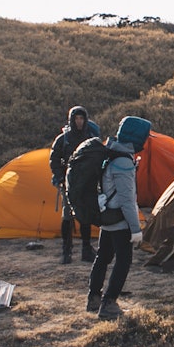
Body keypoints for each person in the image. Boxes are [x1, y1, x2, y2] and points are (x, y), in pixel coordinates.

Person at [87, 115, 151, 319]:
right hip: (119, 219)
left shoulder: (112, 152)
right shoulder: (123, 161)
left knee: (103, 258)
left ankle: (94, 298)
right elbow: (127, 200)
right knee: (123, 261)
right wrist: (135, 229)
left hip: (107, 215)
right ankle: (108, 303)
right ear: (136, 137)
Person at [49, 105, 100, 264]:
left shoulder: (90, 137)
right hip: (68, 183)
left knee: (85, 215)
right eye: (76, 118)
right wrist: (59, 177)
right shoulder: (63, 139)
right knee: (67, 216)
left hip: (87, 182)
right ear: (71, 120)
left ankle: (86, 249)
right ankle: (66, 251)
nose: (79, 121)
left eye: (81, 118)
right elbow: (54, 160)